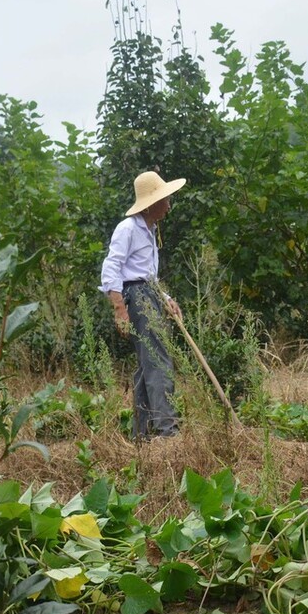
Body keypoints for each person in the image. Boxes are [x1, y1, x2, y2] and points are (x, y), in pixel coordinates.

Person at [99, 170, 186, 441]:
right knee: (158, 361)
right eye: (164, 199)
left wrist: (167, 299)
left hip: (148, 293)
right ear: (150, 204)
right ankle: (167, 432)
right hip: (136, 297)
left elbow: (148, 274)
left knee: (148, 363)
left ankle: (143, 433)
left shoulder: (150, 229)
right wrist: (119, 309)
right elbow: (111, 269)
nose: (169, 203)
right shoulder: (127, 229)